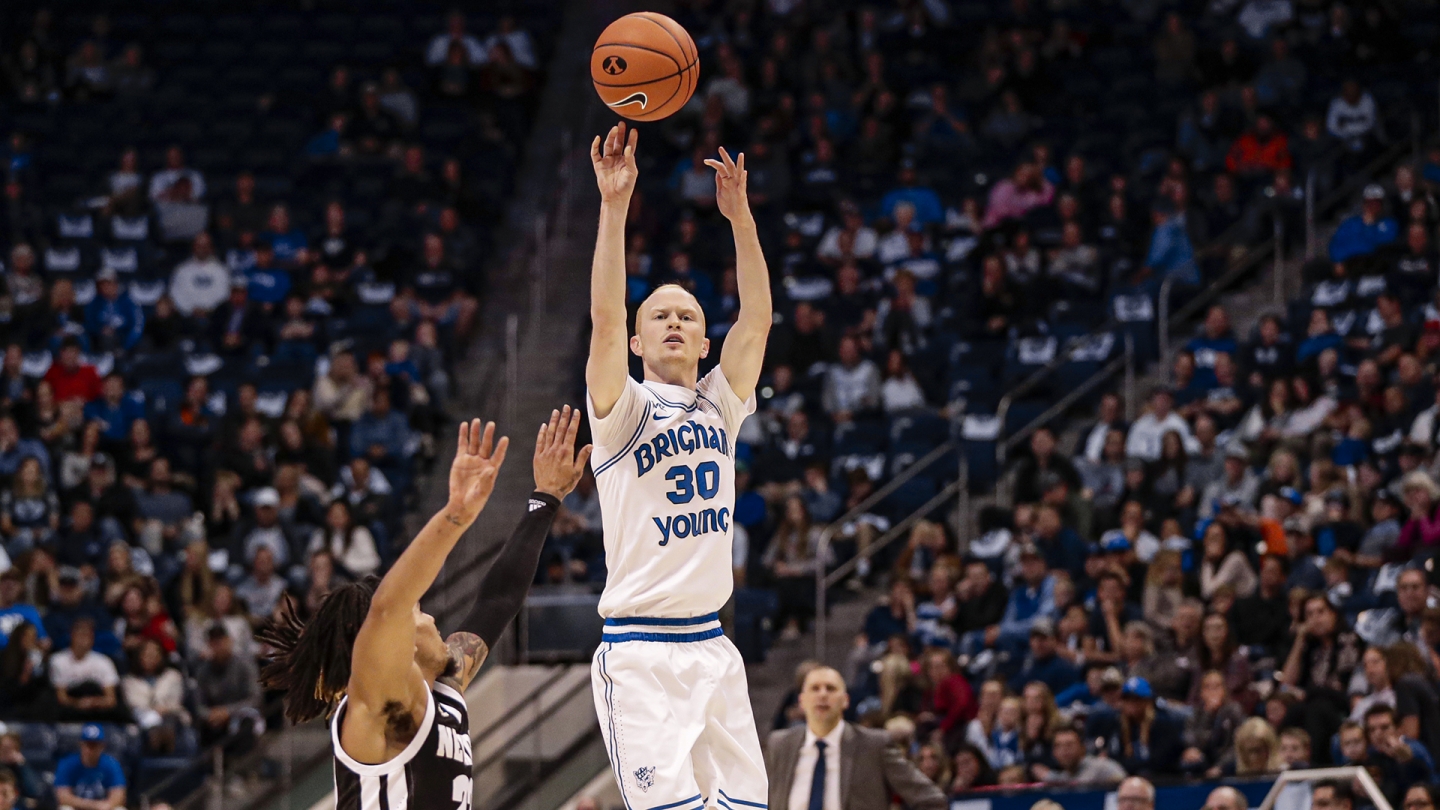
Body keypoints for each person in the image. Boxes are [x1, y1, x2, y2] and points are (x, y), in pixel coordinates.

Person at [258, 410, 589, 810]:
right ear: (393, 644)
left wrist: (546, 499)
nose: (430, 617)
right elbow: (387, 608)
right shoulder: (380, 702)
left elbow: (498, 600)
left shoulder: (443, 692)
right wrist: (455, 516)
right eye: (417, 611)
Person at [585, 123, 773, 806]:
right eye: (658, 315)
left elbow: (756, 320)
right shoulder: (624, 412)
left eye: (687, 317)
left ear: (702, 341)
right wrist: (614, 206)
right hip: (640, 652)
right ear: (638, 341)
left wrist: (740, 219)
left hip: (713, 647)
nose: (673, 322)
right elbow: (604, 319)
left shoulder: (720, 406)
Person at [763, 665, 946, 810]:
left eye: (831, 688)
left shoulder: (874, 745)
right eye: (815, 688)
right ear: (802, 701)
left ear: (845, 700)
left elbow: (932, 800)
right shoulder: (780, 744)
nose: (823, 694)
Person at [53, 724, 125, 810]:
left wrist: (107, 805)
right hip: (79, 808)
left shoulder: (111, 764)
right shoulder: (68, 763)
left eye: (93, 745)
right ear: (81, 744)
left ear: (102, 746)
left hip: (103, 808)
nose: (89, 750)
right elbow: (63, 797)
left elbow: (119, 795)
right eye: (86, 744)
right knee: (65, 809)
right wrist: (94, 805)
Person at [1036, 726, 1126, 785]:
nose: (1064, 750)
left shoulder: (1102, 767)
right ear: (1054, 752)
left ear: (1082, 748)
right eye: (1059, 746)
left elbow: (1124, 784)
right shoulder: (1063, 778)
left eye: (1069, 745)